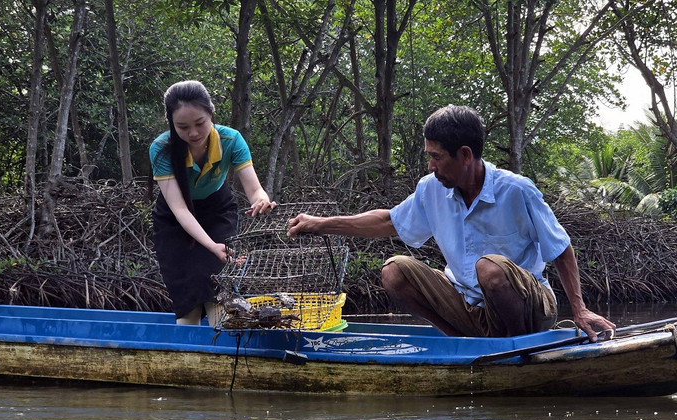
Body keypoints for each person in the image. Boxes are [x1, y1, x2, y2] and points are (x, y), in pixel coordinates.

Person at [287, 104, 615, 340]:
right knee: (394, 271)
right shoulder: (431, 189)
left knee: (490, 268)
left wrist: (580, 310)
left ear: (466, 155)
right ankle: (457, 339)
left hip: (530, 308)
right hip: (470, 307)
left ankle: (516, 349)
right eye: (429, 156)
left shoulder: (516, 190)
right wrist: (321, 223)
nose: (431, 166)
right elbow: (388, 221)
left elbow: (561, 248)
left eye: (437, 157)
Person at [150, 80, 275, 326]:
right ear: (171, 124)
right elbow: (180, 209)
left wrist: (262, 200)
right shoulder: (161, 149)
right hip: (175, 219)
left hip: (217, 211)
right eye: (182, 127)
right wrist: (211, 245)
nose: (193, 133)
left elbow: (254, 189)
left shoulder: (231, 140)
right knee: (189, 294)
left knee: (218, 289)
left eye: (200, 123)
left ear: (211, 112)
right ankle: (189, 349)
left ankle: (223, 347)